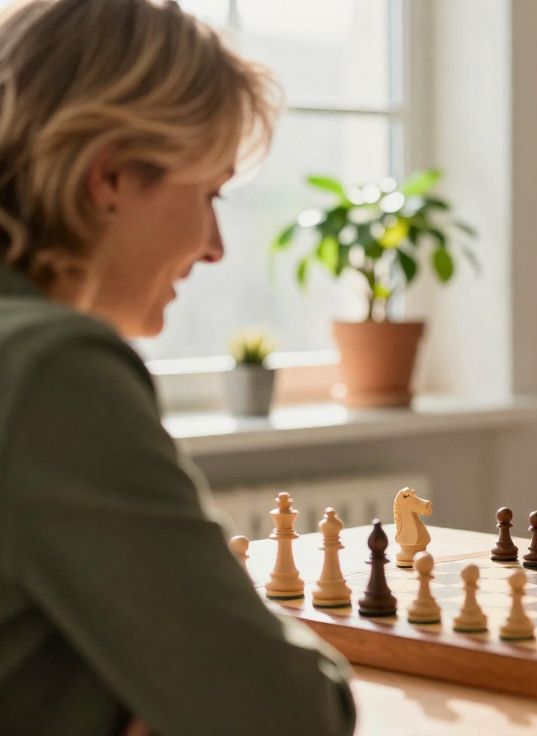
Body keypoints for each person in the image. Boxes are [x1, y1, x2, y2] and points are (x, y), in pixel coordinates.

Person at [0, 1, 354, 733]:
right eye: (210, 193)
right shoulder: (53, 373)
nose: (217, 245)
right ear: (111, 177)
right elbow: (291, 716)